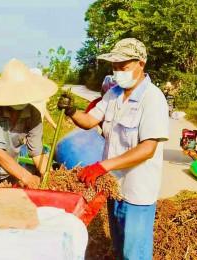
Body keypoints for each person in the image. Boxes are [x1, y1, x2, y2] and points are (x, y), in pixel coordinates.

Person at [57, 38, 169, 259]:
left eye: (123, 67)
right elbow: (90, 120)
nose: (118, 72)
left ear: (141, 64)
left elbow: (147, 149)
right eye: (114, 67)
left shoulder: (153, 99)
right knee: (119, 248)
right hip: (114, 188)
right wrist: (72, 111)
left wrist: (102, 166)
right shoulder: (114, 93)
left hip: (137, 192)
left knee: (134, 253)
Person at [0, 59, 57, 190]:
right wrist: (28, 177)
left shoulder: (33, 114)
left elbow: (37, 153)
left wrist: (51, 178)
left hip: (11, 170)